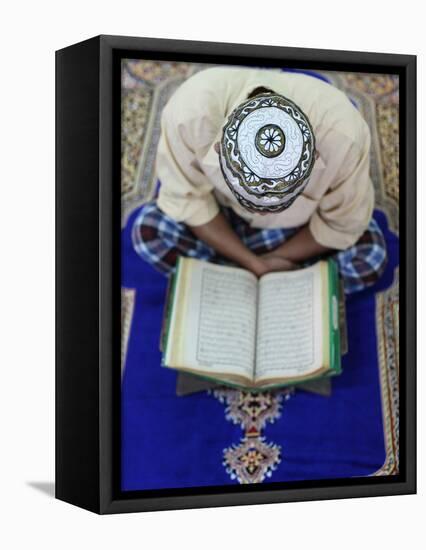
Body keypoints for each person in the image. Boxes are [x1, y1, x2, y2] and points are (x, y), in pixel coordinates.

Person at [132, 67, 387, 294]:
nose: (258, 212)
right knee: (149, 230)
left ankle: (228, 277)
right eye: (250, 198)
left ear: (315, 155)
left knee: (370, 255)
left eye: (279, 200)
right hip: (223, 217)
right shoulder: (190, 114)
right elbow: (189, 200)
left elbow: (341, 224)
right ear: (220, 147)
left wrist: (272, 260)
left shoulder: (343, 137)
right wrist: (255, 264)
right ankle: (290, 282)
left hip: (300, 230)